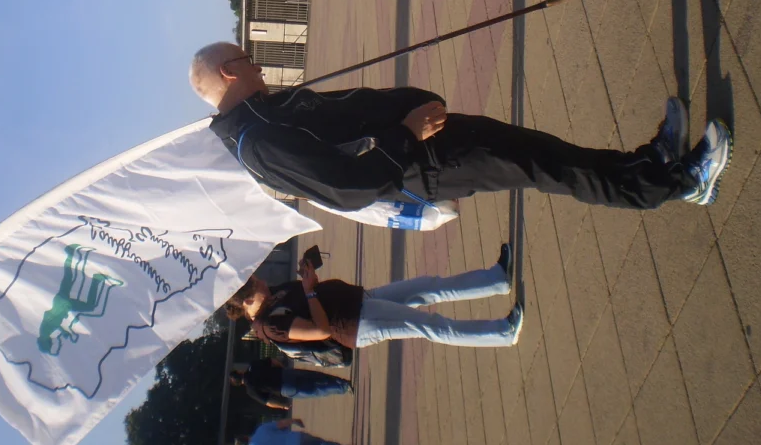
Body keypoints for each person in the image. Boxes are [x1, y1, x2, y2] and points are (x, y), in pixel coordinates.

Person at [190, 42, 732, 211]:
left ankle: (649, 161)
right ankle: (680, 184)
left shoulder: (267, 111)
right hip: (429, 161)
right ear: (228, 72)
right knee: (551, 168)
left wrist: (412, 102)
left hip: (431, 140)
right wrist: (407, 131)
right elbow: (346, 188)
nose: (258, 65)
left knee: (551, 151)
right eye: (249, 58)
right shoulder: (256, 141)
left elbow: (351, 113)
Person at [227, 247, 521, 351]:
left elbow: (309, 291)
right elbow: (320, 330)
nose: (262, 279)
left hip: (361, 301)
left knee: (428, 286)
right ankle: (502, 333)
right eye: (255, 280)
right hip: (357, 322)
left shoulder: (271, 300)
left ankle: (495, 279)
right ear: (245, 296)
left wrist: (308, 276)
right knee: (430, 325)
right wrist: (309, 290)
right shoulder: (268, 324)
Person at [231, 358, 353, 409]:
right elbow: (272, 361)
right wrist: (283, 368)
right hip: (285, 374)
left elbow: (268, 401)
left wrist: (283, 405)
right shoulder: (253, 366)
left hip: (285, 389)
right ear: (240, 371)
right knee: (316, 376)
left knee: (316, 390)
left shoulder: (250, 390)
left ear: (239, 384)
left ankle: (342, 388)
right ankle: (342, 382)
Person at [235, 418, 355, 445]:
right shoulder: (261, 430)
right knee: (321, 442)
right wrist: (293, 421)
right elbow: (281, 424)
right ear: (246, 436)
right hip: (297, 437)